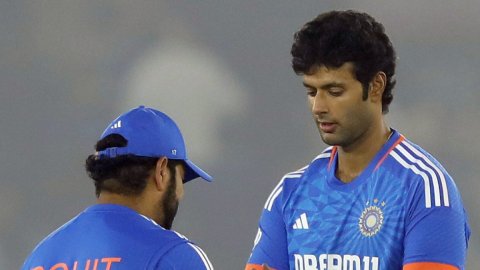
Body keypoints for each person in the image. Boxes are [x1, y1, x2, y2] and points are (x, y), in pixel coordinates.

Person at [245, 10, 470, 270]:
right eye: (311, 91)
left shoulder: (423, 188)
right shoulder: (290, 193)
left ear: (375, 86)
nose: (318, 106)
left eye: (334, 91)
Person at [22, 105, 214, 270]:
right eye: (181, 178)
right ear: (161, 171)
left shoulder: (41, 257)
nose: (181, 193)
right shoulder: (174, 256)